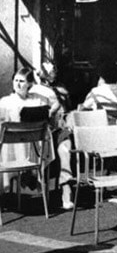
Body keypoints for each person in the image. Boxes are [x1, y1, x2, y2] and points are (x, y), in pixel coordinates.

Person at [0, 68, 56, 196]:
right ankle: (27, 175)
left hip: (32, 148)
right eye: (15, 80)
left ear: (30, 84)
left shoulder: (36, 101)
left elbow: (54, 106)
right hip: (12, 146)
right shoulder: (5, 102)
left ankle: (28, 173)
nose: (17, 84)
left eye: (21, 81)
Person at [31, 62, 75, 209]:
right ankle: (41, 193)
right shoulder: (35, 91)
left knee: (65, 149)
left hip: (58, 129)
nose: (54, 74)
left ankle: (66, 191)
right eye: (51, 72)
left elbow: (67, 110)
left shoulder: (61, 89)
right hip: (41, 132)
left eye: (54, 71)